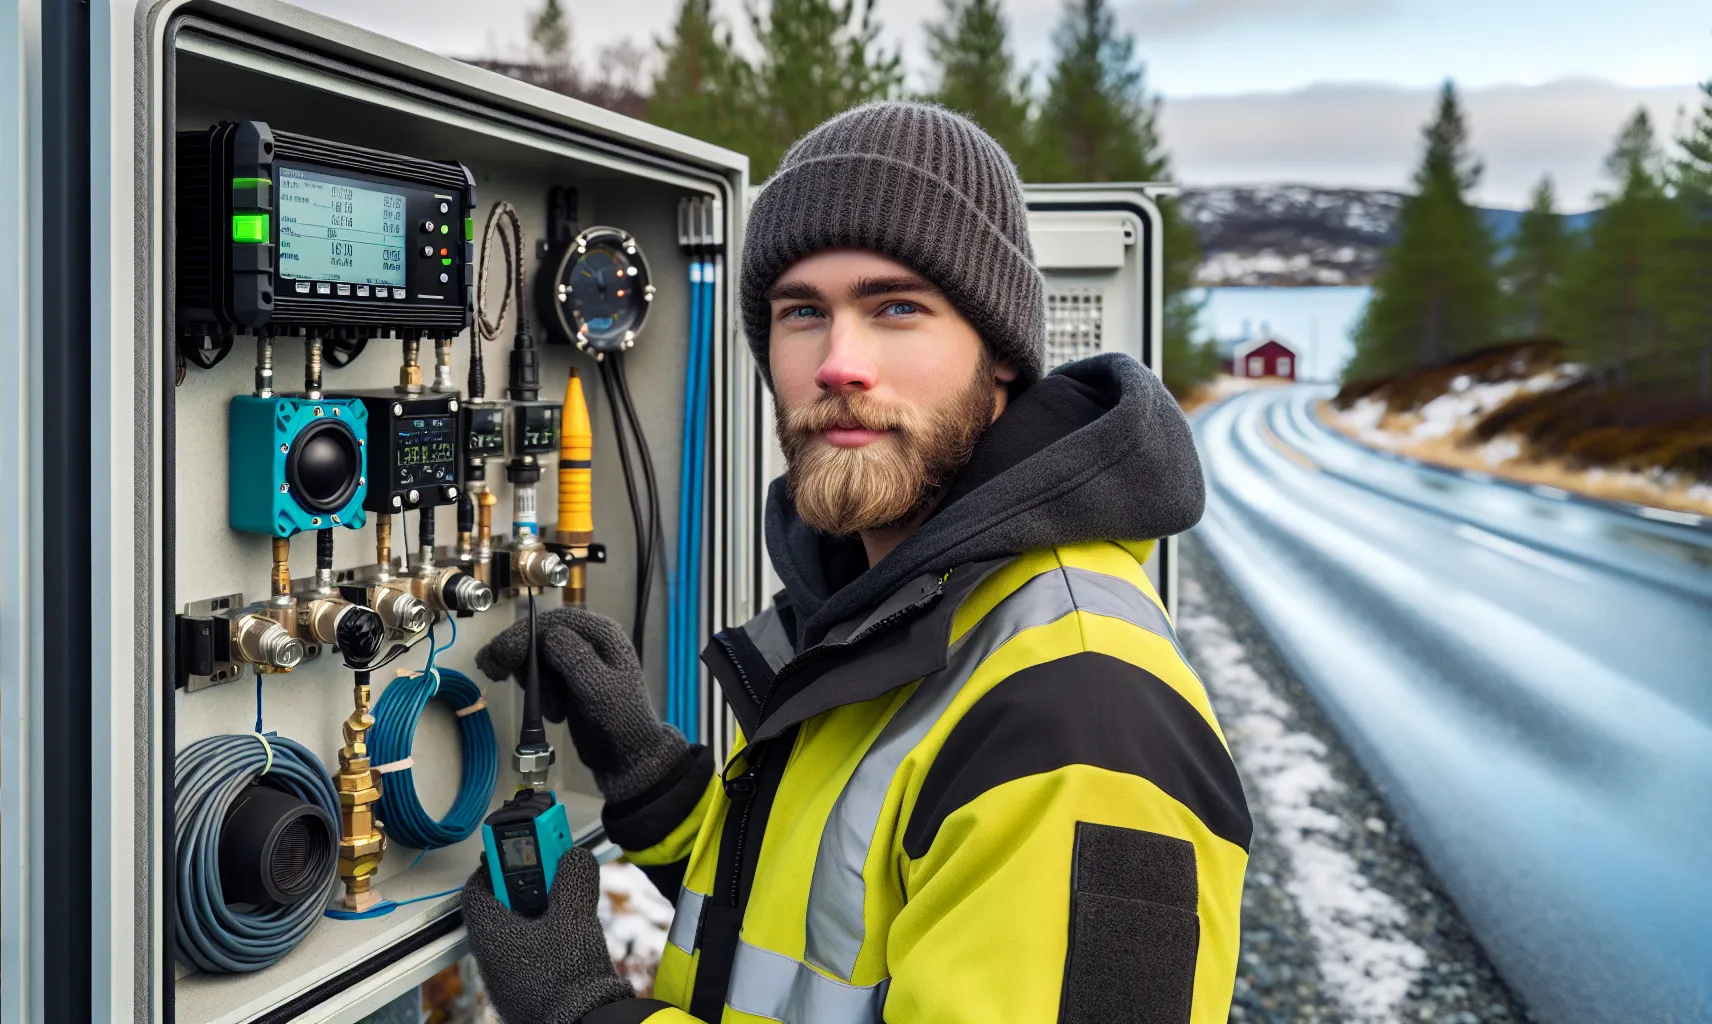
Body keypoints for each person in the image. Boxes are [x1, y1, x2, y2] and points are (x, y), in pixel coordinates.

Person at [464, 101, 1250, 1024]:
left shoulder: (1077, 719)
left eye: (898, 308)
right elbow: (827, 922)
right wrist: (652, 783)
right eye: (803, 312)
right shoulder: (901, 609)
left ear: (999, 355)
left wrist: (576, 1010)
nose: (839, 362)